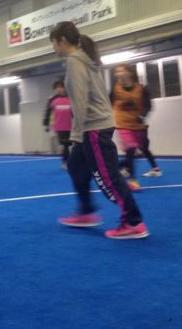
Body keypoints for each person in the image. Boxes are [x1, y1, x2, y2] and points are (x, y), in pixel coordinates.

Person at [49, 21, 149, 239]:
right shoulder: (82, 59)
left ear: (62, 40)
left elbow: (80, 103)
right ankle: (86, 212)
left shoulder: (75, 61)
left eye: (54, 43)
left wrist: (77, 136)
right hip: (93, 126)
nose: (53, 48)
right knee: (75, 166)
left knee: (107, 178)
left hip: (93, 128)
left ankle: (134, 222)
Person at [111, 64, 162, 190]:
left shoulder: (141, 89)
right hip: (122, 124)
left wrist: (142, 115)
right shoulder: (115, 89)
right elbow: (107, 104)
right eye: (116, 72)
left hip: (138, 125)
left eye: (121, 71)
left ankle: (115, 168)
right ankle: (132, 180)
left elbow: (148, 105)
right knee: (131, 148)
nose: (118, 74)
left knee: (140, 150)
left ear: (129, 72)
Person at [42, 80, 72, 169]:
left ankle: (69, 161)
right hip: (60, 126)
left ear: (64, 88)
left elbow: (75, 112)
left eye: (61, 87)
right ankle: (65, 162)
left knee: (70, 145)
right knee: (65, 144)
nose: (59, 89)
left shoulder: (70, 98)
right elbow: (47, 112)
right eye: (56, 88)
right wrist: (45, 124)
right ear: (54, 90)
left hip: (71, 126)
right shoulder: (52, 99)